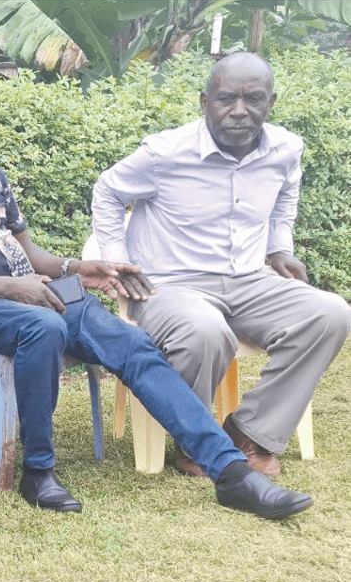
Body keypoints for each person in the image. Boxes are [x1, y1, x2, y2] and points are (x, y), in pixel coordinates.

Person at [0, 103, 313, 520]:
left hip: (38, 292)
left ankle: (230, 472)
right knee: (43, 328)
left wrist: (74, 268)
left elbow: (27, 252)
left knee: (133, 344)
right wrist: (11, 289)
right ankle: (38, 471)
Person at [92, 52, 351, 477]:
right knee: (205, 330)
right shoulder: (165, 153)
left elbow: (286, 197)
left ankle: (249, 433)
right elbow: (108, 191)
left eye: (254, 99)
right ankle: (195, 441)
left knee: (330, 313)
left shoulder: (285, 149)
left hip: (250, 279)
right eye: (226, 98)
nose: (239, 111)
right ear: (204, 101)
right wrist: (115, 258)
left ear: (271, 102)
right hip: (171, 285)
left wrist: (280, 247)